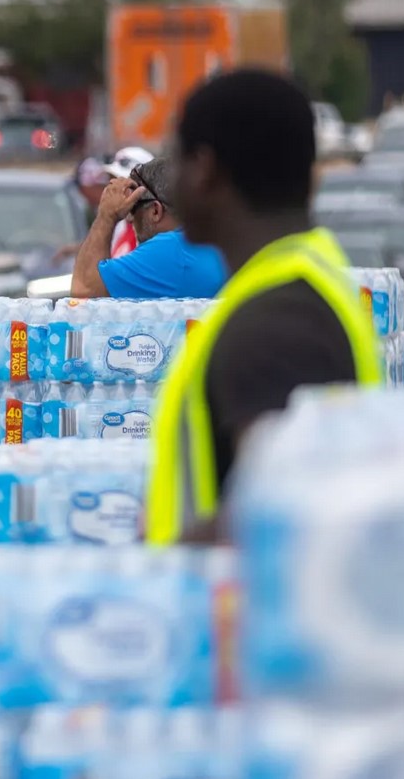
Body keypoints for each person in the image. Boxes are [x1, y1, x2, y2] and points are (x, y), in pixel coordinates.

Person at [144, 69, 383, 545]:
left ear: (205, 170)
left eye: (177, 160)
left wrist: (156, 567)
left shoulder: (275, 326)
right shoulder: (297, 280)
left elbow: (282, 520)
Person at [70, 157, 228, 300]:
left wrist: (107, 215)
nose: (129, 219)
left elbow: (83, 290)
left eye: (133, 207)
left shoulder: (171, 249)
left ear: (155, 211)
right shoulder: (213, 239)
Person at [104, 146, 155, 258]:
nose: (113, 189)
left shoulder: (155, 233)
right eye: (112, 181)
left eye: (124, 184)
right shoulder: (120, 225)